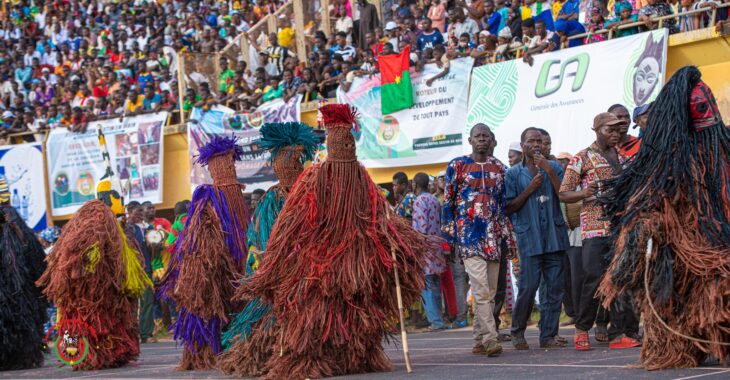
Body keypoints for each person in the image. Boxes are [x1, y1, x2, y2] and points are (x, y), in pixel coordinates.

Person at [231, 104, 428, 378]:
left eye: (349, 142)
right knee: (314, 314)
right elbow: (291, 225)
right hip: (317, 264)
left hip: (354, 260)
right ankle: (304, 360)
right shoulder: (312, 181)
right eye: (341, 141)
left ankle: (354, 356)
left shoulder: (361, 178)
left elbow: (379, 213)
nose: (346, 147)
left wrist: (396, 238)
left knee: (357, 312)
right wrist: (281, 259)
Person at [598, 66, 730, 369]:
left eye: (709, 104)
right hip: (679, 255)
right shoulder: (665, 160)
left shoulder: (719, 152)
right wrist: (645, 229)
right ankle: (677, 347)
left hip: (713, 244)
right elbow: (642, 204)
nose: (709, 114)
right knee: (673, 310)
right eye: (699, 107)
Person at [37, 127, 151, 369]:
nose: (123, 204)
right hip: (92, 291)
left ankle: (113, 352)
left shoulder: (116, 225)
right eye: (120, 199)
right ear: (110, 198)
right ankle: (90, 354)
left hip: (111, 290)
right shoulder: (95, 222)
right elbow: (78, 256)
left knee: (112, 320)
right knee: (94, 320)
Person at [218, 122, 319, 376]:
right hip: (275, 273)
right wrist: (265, 263)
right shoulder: (269, 201)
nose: (289, 168)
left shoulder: (312, 196)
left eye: (295, 162)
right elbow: (257, 239)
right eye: (284, 163)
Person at [158, 136, 249, 370]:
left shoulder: (236, 201)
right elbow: (194, 245)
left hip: (237, 270)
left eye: (232, 164)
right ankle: (207, 351)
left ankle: (234, 348)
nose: (230, 169)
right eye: (225, 164)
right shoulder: (206, 202)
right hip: (211, 273)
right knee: (210, 311)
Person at [559, 112, 641, 351]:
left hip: (620, 227)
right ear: (596, 130)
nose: (615, 134)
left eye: (618, 130)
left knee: (620, 278)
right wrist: (584, 193)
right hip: (594, 228)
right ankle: (582, 328)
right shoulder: (582, 158)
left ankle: (618, 334)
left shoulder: (623, 158)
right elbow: (563, 193)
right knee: (593, 279)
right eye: (610, 130)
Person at [442, 123, 516, 357]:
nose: (482, 139)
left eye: (485, 136)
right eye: (477, 136)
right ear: (470, 140)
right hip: (468, 237)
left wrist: (509, 241)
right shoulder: (457, 165)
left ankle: (477, 340)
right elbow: (448, 204)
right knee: (481, 291)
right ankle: (491, 339)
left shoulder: (500, 168)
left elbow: (504, 208)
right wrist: (449, 240)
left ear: (492, 140)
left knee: (491, 292)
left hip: (494, 238)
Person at [506, 127, 569, 350]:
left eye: (540, 141)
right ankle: (517, 332)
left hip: (554, 235)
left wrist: (548, 171)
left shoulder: (554, 167)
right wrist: (530, 189)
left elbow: (565, 194)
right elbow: (510, 206)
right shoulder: (513, 173)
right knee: (528, 287)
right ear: (522, 146)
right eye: (531, 141)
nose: (536, 145)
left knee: (554, 288)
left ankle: (549, 335)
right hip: (529, 238)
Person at [0, 194, 47, 370]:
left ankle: (19, 356)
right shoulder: (14, 223)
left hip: (19, 291)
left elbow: (31, 253)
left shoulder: (13, 222)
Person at [412, 172, 448, 331]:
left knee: (426, 285)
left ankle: (436, 322)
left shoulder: (419, 200)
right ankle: (439, 319)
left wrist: (415, 246)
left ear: (415, 185)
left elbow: (421, 227)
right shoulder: (434, 199)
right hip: (436, 246)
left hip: (425, 247)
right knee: (435, 285)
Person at [556, 152, 582, 327]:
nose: (563, 165)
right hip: (561, 238)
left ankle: (582, 314)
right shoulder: (555, 182)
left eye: (565, 161)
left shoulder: (579, 183)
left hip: (578, 237)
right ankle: (571, 313)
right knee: (565, 279)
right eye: (559, 162)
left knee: (578, 277)